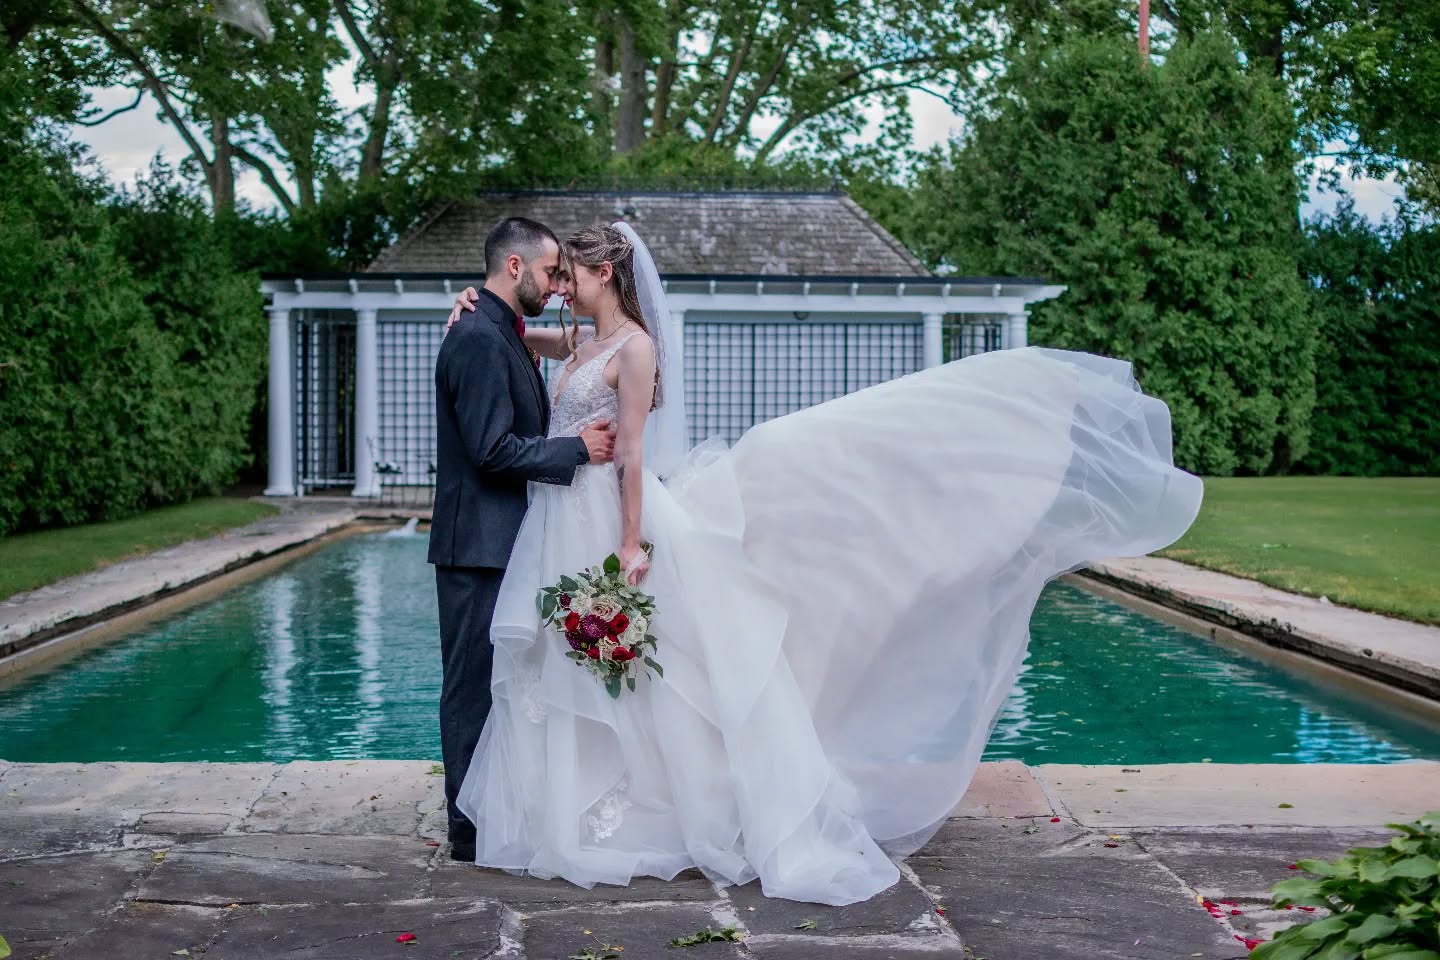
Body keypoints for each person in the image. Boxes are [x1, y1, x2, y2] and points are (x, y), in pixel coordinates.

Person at [445, 222, 1203, 905]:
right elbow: (520, 341)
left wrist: (632, 541)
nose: (559, 285)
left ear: (605, 273)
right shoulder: (580, 345)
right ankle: (563, 805)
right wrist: (474, 305)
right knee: (576, 668)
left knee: (646, 670)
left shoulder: (635, 350)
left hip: (606, 515)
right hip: (560, 522)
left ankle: (650, 803)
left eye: (568, 272)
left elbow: (634, 454)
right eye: (551, 274)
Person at [429, 216, 615, 864]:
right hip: (475, 545)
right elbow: (490, 450)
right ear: (515, 269)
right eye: (548, 271)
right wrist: (577, 447)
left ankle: (496, 814)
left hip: (501, 541)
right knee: (471, 687)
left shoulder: (496, 329)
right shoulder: (479, 338)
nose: (555, 283)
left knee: (501, 686)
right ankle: (467, 830)